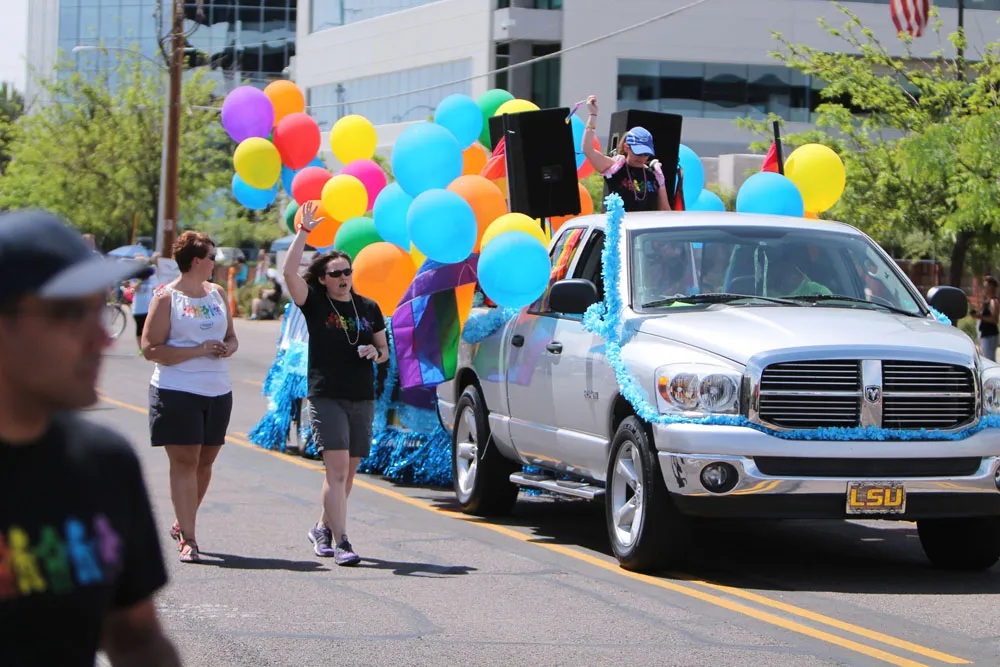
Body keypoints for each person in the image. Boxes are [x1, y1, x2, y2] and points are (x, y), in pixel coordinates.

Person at [0, 210, 180, 666]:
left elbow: (136, 637)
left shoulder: (104, 463)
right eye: (69, 314)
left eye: (97, 309)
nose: (102, 339)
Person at [283, 201, 389, 567]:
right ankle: (342, 541)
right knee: (338, 470)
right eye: (336, 273)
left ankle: (321, 529)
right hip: (326, 395)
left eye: (347, 271)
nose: (344, 278)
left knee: (349, 473)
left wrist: (374, 353)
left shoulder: (369, 307)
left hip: (361, 396)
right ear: (323, 279)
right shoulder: (314, 303)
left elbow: (384, 351)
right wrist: (304, 232)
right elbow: (289, 272)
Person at [141, 231, 237, 564]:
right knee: (185, 462)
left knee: (205, 462)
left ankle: (183, 521)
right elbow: (150, 349)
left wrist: (227, 348)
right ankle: (189, 538)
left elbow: (232, 337)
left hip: (218, 390)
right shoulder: (166, 297)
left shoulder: (217, 293)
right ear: (197, 261)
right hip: (176, 390)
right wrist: (198, 350)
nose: (215, 263)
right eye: (212, 257)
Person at [580, 95, 672, 213]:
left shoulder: (653, 174)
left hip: (645, 224)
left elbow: (665, 210)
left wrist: (662, 184)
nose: (642, 157)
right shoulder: (616, 167)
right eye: (638, 152)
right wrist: (593, 115)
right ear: (626, 147)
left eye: (646, 154)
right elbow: (587, 149)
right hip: (621, 224)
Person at [132, 252, 159, 354]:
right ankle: (141, 348)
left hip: (149, 307)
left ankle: (148, 346)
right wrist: (141, 279)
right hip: (138, 308)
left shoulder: (151, 274)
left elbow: (157, 267)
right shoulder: (135, 276)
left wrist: (155, 259)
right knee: (140, 328)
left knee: (149, 328)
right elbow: (135, 288)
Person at [971, 276, 999, 361]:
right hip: (984, 335)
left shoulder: (993, 301)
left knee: (989, 359)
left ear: (991, 288)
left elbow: (994, 319)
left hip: (989, 335)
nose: (984, 289)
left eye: (985, 286)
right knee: (984, 358)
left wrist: (980, 317)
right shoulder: (987, 301)